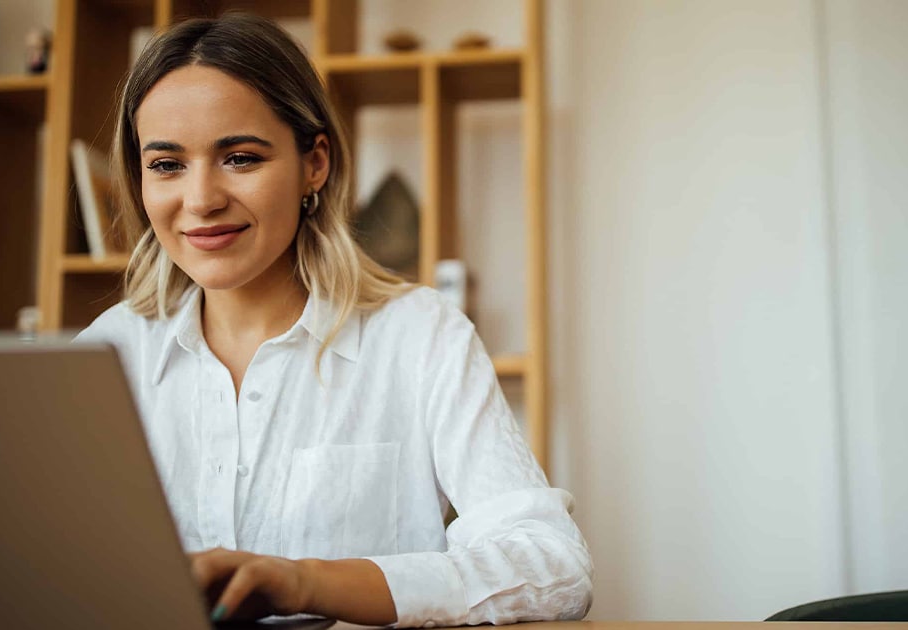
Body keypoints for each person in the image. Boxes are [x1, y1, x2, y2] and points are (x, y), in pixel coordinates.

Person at [74, 13, 592, 628]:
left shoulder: (420, 336)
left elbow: (553, 568)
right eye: (166, 165)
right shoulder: (103, 354)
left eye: (240, 158)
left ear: (314, 163)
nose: (201, 199)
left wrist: (307, 582)